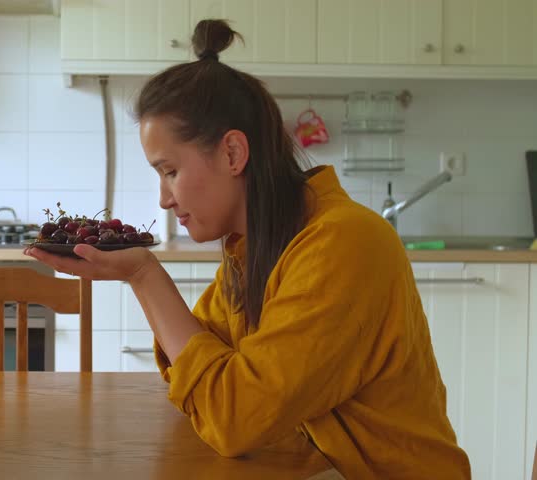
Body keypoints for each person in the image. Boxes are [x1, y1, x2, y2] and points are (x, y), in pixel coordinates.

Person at [25, 19, 470, 479]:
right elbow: (203, 372)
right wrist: (140, 276)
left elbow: (233, 418)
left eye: (170, 171)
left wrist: (144, 276)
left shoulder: (343, 243)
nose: (164, 197)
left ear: (233, 153)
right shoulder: (255, 244)